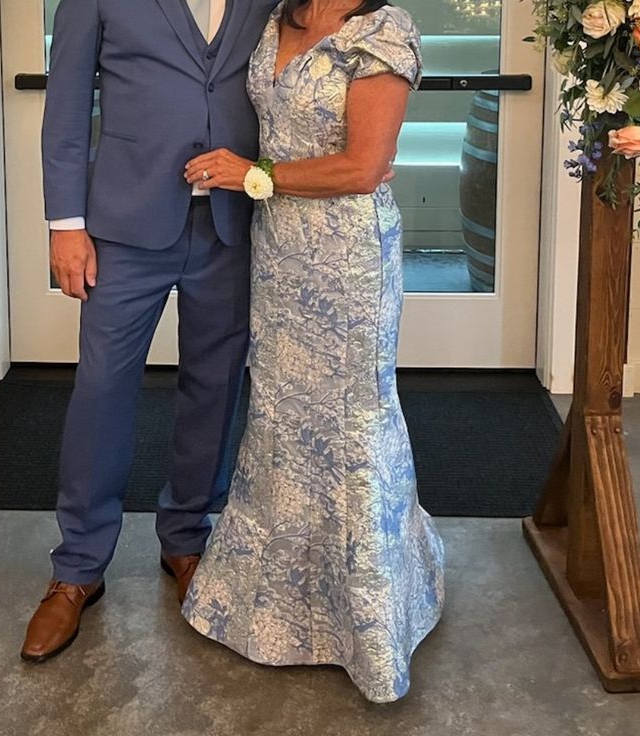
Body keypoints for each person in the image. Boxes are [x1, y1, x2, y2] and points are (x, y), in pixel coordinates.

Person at [181, 0, 445, 703]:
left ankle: (368, 622)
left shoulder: (383, 31)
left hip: (347, 257)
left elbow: (364, 167)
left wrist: (253, 175)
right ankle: (271, 609)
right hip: (279, 254)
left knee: (351, 423)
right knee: (278, 414)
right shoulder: (278, 19)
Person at [21, 0, 279, 662]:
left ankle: (187, 538)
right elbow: (68, 106)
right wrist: (66, 226)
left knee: (215, 386)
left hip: (230, 223)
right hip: (123, 227)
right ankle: (77, 568)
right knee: (102, 391)